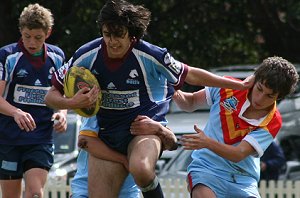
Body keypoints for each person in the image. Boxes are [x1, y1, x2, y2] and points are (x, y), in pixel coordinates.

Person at [44, 0, 253, 197]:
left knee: (141, 168)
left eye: (119, 35)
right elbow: (50, 96)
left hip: (145, 130)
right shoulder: (87, 54)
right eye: (107, 34)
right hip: (107, 136)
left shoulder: (151, 55)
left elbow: (192, 74)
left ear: (132, 34)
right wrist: (71, 103)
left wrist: (238, 84)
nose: (112, 41)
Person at [173, 56, 299, 197]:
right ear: (254, 80)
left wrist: (207, 142)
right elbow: (190, 102)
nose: (260, 98)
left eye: (269, 96)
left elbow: (238, 154)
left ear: (279, 97)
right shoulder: (228, 87)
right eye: (259, 89)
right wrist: (174, 91)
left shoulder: (273, 121)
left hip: (243, 180)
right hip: (206, 170)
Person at [0, 3, 67, 198]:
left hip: (40, 138)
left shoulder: (57, 56)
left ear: (48, 33)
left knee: (35, 193)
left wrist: (61, 114)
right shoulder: (7, 56)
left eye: (38, 37)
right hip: (8, 138)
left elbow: (62, 96)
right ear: (20, 31)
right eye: (27, 36)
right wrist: (16, 112)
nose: (31, 42)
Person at [71, 116, 140, 198]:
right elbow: (85, 141)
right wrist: (124, 160)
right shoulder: (100, 107)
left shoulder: (143, 108)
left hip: (127, 191)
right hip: (86, 190)